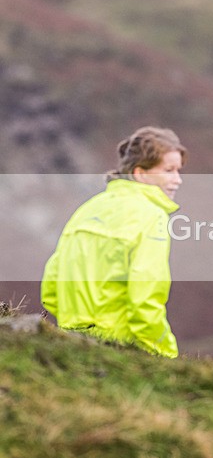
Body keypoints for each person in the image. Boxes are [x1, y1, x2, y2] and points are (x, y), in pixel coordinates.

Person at [41, 126, 186, 358]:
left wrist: (75, 325)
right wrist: (167, 354)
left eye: (179, 171)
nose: (177, 180)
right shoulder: (151, 216)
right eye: (169, 170)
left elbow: (51, 288)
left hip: (71, 345)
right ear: (141, 173)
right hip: (122, 348)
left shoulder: (88, 209)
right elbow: (145, 299)